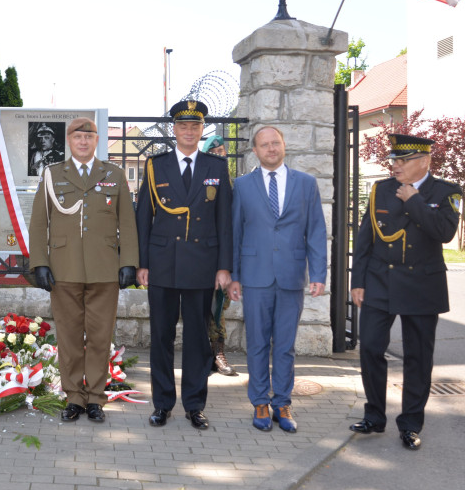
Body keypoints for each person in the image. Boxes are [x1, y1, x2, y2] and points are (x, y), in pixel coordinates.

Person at [349, 134, 462, 451]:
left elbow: (445, 232)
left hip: (422, 286)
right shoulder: (379, 190)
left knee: (418, 358)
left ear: (423, 162)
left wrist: (413, 200)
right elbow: (364, 240)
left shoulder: (446, 192)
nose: (394, 165)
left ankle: (411, 424)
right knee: (370, 347)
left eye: (402, 160)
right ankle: (374, 416)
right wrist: (358, 281)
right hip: (380, 281)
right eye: (393, 160)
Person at [28, 117, 139, 423]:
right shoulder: (52, 174)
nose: (83, 141)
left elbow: (127, 223)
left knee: (101, 337)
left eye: (89, 136)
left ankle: (96, 399)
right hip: (64, 270)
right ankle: (74, 396)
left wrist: (128, 261)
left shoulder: (113, 175)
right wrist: (40, 263)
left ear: (97, 139)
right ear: (69, 141)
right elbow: (39, 223)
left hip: (104, 270)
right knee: (69, 337)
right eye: (78, 137)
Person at [136, 100, 232, 430]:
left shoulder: (216, 167)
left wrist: (224, 266)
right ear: (174, 130)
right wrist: (142, 263)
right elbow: (142, 219)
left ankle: (194, 405)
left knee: (197, 340)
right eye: (183, 126)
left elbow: (225, 221)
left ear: (202, 129)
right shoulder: (155, 165)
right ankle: (162, 404)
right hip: (162, 264)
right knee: (161, 337)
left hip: (202, 265)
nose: (189, 131)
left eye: (195, 126)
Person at [227, 126, 327, 434]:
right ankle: (259, 401)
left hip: (291, 276)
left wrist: (319, 274)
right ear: (254, 151)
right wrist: (234, 276)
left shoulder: (306, 184)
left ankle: (282, 403)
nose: (271, 148)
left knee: (284, 346)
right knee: (257, 343)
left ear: (284, 146)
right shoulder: (242, 186)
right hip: (255, 276)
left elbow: (317, 230)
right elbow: (235, 233)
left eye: (276, 143)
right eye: (264, 145)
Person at [199, 133, 238, 376]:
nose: (219, 156)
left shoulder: (231, 182)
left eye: (222, 152)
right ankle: (203, 354)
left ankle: (218, 353)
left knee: (219, 306)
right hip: (200, 254)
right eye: (214, 153)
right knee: (198, 308)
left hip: (221, 257)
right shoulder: (200, 179)